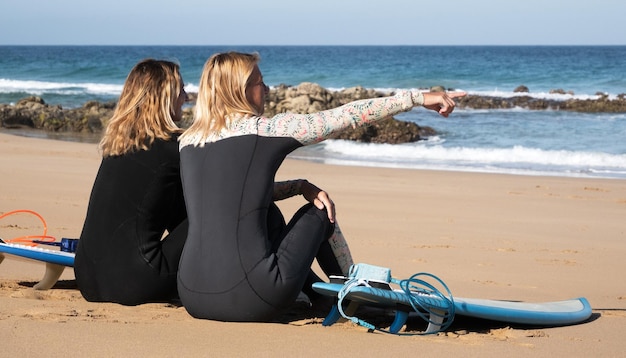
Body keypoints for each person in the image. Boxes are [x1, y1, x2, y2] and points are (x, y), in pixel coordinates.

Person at [177, 51, 466, 322]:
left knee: (266, 213)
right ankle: (359, 297)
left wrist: (299, 185)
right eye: (260, 83)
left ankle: (314, 295)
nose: (266, 90)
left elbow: (234, 193)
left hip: (192, 295)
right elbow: (348, 115)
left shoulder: (188, 141)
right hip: (254, 296)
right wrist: (417, 98)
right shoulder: (264, 129)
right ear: (239, 90)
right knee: (318, 211)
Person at [75, 59, 189, 305]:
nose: (187, 97)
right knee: (218, 210)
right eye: (181, 89)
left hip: (86, 278)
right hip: (135, 283)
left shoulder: (117, 145)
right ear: (164, 96)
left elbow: (174, 211)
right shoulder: (174, 148)